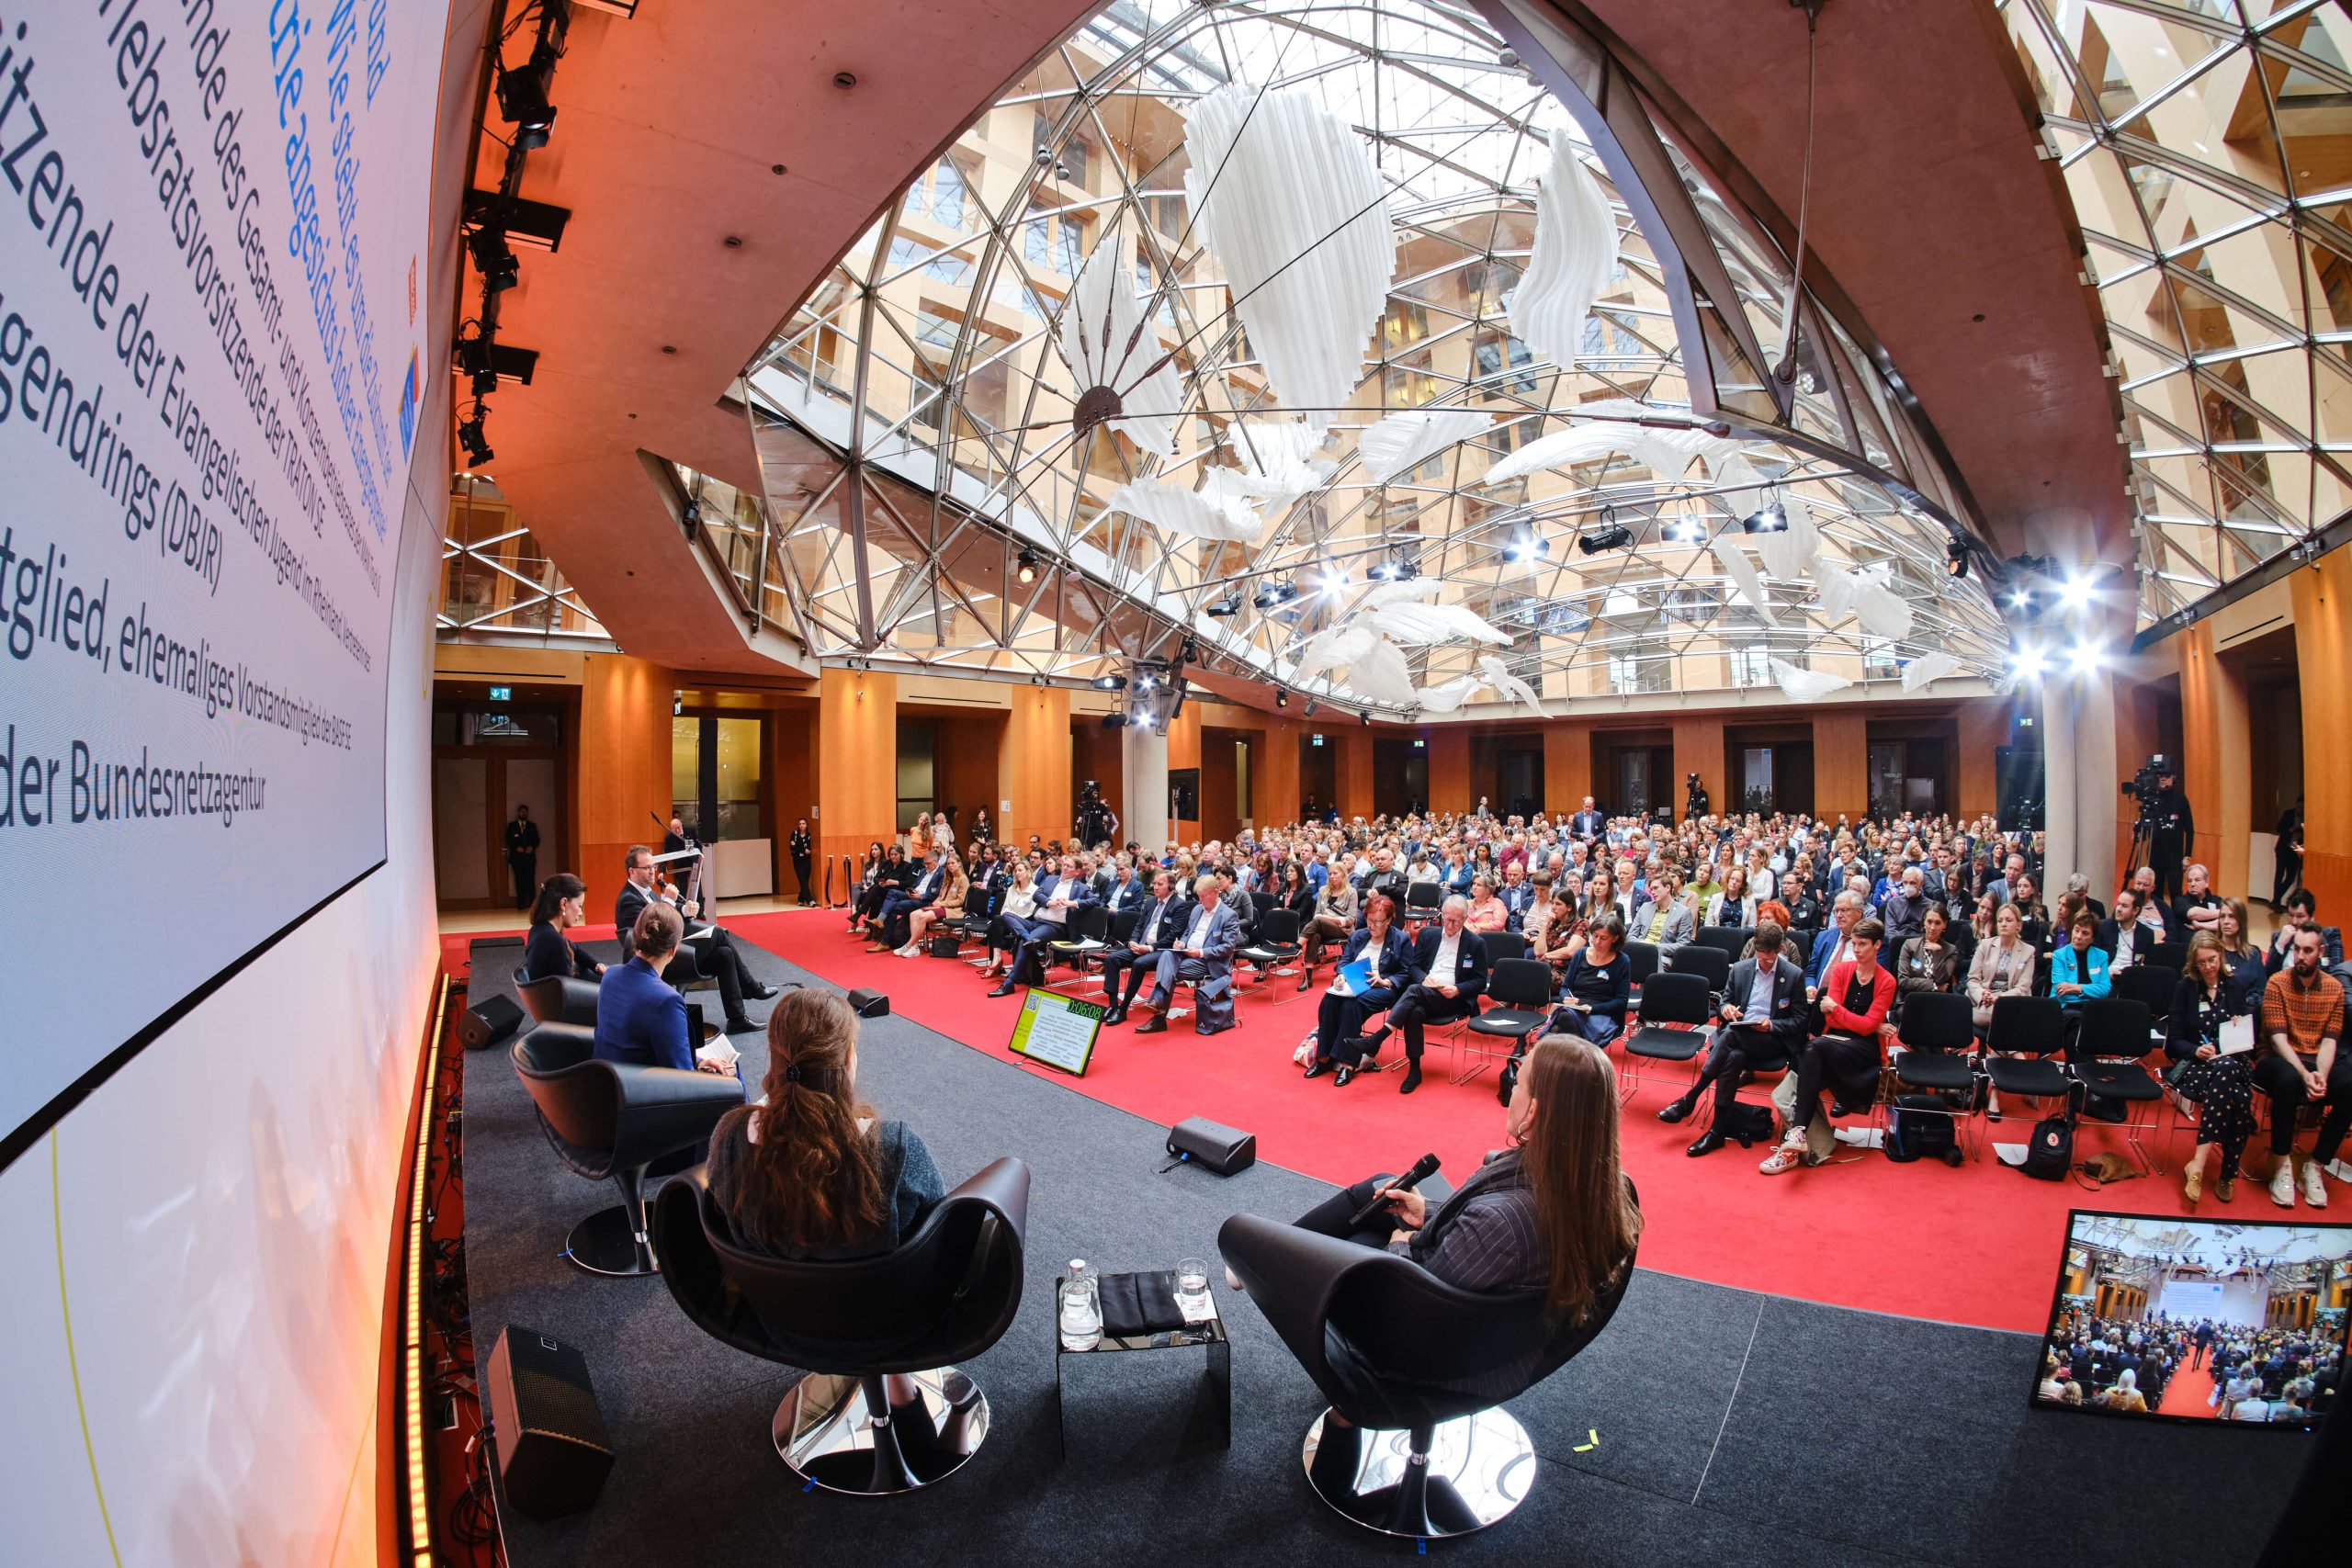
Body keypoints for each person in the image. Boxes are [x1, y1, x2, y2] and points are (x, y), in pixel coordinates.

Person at [1275, 1036, 1642, 1440]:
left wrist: (1398, 1241)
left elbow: (1414, 1296)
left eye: (1519, 1079)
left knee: (1340, 1247)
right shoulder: (1601, 1186)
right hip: (1507, 1331)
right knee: (1380, 1190)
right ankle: (1285, 1246)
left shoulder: (1506, 1223)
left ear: (1534, 1110)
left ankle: (1271, 1259)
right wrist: (1426, 1213)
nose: (1512, 1085)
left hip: (1441, 1351)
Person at [705, 988, 944, 1259]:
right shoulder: (897, 1147)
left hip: (767, 1298)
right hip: (880, 1298)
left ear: (775, 1057)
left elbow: (720, 1211)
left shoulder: (731, 1135)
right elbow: (944, 1225)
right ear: (847, 1058)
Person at [1658, 921, 1808, 1156]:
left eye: (1768, 959)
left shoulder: (1793, 975)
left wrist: (1772, 1024)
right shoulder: (1741, 969)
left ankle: (1691, 1097)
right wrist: (1727, 1009)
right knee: (1734, 1056)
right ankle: (1717, 1132)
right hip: (1741, 1035)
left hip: (1772, 1040)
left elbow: (1799, 1021)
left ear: (1779, 950)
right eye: (1760, 957)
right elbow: (1724, 1003)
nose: (1764, 963)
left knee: (1731, 1036)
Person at [1761, 918, 1894, 1175]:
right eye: (1854, 943)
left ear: (1877, 945)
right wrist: (1859, 1019)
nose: (1856, 949)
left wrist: (1845, 1013)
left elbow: (1865, 1028)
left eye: (1862, 944)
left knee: (1814, 1049)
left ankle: (1796, 1135)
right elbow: (1830, 1016)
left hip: (1863, 1049)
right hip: (1832, 1040)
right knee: (1814, 1050)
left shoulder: (1887, 981)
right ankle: (1798, 1136)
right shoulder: (1843, 971)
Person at [615, 845, 768, 1034]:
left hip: (669, 954)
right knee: (718, 934)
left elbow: (665, 914)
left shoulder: (647, 892)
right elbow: (655, 932)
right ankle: (751, 986)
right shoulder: (628, 900)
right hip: (657, 961)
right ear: (632, 871)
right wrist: (668, 902)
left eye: (653, 866)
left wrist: (686, 910)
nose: (653, 871)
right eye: (647, 867)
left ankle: (737, 1019)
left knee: (724, 954)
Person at [1345, 896, 1490, 1095]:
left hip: (1453, 999)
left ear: (1465, 919)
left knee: (1412, 992)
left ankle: (1376, 1040)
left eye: (1456, 921)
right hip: (1426, 992)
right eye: (1447, 919)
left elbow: (1480, 980)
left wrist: (1458, 989)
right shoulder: (1428, 935)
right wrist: (1424, 979)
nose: (1450, 924)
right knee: (1413, 1011)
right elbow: (1414, 967)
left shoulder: (1476, 943)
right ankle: (1415, 1070)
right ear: (1441, 916)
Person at [594, 904, 741, 1086]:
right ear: (674, 949)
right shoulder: (666, 1000)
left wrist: (699, 1062)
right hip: (648, 1097)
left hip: (609, 1086)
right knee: (733, 1071)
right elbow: (682, 1079)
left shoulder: (611, 975)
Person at [2255, 923, 2348, 1209]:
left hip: (2314, 1058)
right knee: (2287, 1080)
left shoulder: (2334, 989)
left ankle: (2316, 1164)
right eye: (2297, 949)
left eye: (2307, 950)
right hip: (2275, 1058)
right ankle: (2282, 1162)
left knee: (2349, 1083)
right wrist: (2306, 1075)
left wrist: (2320, 1074)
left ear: (2321, 952)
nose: (2300, 956)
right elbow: (2279, 1040)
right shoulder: (2277, 983)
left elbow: (2330, 1042)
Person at [2171, 932, 2257, 1208]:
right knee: (2241, 1099)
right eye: (2202, 963)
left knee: (2229, 1068)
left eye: (2212, 960)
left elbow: (2247, 1042)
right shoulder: (2185, 989)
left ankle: (2198, 1163)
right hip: (2197, 1066)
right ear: (2194, 964)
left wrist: (2238, 1026)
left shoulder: (2235, 987)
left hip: (2231, 1062)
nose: (2208, 967)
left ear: (2221, 956)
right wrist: (2195, 1050)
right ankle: (2227, 1174)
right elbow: (2173, 1042)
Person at [1306, 895, 1416, 1083]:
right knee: (1329, 1000)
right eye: (1369, 920)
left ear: (1389, 920)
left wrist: (1385, 980)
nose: (1372, 926)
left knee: (1353, 1005)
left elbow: (1407, 972)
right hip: (1353, 984)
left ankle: (1348, 1063)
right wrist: (1341, 975)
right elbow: (1345, 961)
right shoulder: (1358, 935)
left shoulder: (1400, 939)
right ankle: (1324, 1057)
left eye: (1378, 922)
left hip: (1383, 987)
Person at [1133, 875, 1242, 1036]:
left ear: (1216, 892)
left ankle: (1158, 1011)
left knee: (1168, 970)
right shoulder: (1197, 909)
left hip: (1208, 962)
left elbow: (1227, 948)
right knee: (1166, 955)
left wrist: (1200, 952)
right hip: (1186, 954)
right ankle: (1157, 1001)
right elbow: (1186, 933)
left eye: (1204, 895)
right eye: (1199, 896)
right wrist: (1182, 943)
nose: (1201, 899)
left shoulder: (1228, 915)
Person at [1969, 902, 2037, 1120]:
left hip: (2010, 1006)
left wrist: (2000, 998)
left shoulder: (2028, 951)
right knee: (2006, 1033)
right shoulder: (1986, 945)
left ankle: (1995, 1093)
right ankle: (2021, 1067)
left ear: (2019, 925)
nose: (2004, 924)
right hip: (1983, 1006)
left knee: (2002, 1026)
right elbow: (1972, 979)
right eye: (2000, 920)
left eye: (2009, 920)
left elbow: (2023, 987)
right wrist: (1983, 995)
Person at [1100, 871, 1184, 1025]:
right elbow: (1139, 926)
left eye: (1160, 884)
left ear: (1171, 886)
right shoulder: (1152, 902)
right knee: (1112, 959)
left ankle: (1123, 1008)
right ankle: (1112, 1005)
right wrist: (1133, 941)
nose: (1155, 887)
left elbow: (1173, 936)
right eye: (1154, 883)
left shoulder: (1179, 905)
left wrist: (1150, 948)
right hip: (1141, 946)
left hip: (1161, 950)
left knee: (1139, 964)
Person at [1553, 914, 1631, 1046]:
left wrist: (1592, 1009)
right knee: (1564, 1022)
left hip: (1604, 1013)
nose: (1597, 942)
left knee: (1558, 1030)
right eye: (1595, 936)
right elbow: (1565, 987)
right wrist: (1566, 998)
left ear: (1615, 938)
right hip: (1576, 1009)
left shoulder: (1622, 961)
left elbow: (1621, 1002)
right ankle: (1583, 1057)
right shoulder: (1580, 954)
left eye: (1603, 938)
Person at [522, 873, 605, 984]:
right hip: (556, 998)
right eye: (579, 906)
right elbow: (567, 988)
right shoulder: (553, 940)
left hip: (542, 995)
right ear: (564, 904)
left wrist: (596, 965)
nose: (580, 913)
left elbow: (575, 948)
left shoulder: (539, 929)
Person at [2051, 909, 2112, 1054]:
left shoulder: (2101, 956)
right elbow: (2061, 991)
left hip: (2092, 1010)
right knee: (2078, 1021)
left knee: (2078, 1027)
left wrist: (2078, 988)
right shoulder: (2060, 955)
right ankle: (2084, 1069)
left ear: (2092, 938)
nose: (2078, 937)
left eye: (2085, 933)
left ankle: (2075, 1070)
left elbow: (2105, 990)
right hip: (2063, 1009)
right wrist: (2091, 991)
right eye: (2076, 930)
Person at [896, 853, 967, 956]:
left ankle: (908, 945)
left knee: (923, 917)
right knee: (913, 914)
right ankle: (915, 948)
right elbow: (941, 894)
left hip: (953, 910)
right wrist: (936, 901)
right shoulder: (948, 878)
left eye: (953, 863)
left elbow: (960, 901)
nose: (950, 866)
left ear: (959, 864)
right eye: (948, 864)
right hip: (941, 906)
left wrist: (941, 903)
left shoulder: (963, 879)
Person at [1299, 869, 1360, 988]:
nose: (1332, 876)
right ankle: (1308, 978)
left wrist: (1328, 918)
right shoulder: (1323, 890)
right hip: (1321, 926)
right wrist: (1322, 918)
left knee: (1318, 922)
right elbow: (1317, 913)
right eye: (1330, 874)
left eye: (1335, 873)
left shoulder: (1351, 892)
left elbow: (1350, 920)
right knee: (1314, 934)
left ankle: (1297, 946)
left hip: (1342, 929)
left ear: (1343, 875)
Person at [1894, 902, 1959, 1010]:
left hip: (1937, 1002)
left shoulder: (1951, 951)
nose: (1932, 927)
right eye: (1929, 921)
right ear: (1924, 921)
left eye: (1937, 923)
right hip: (1909, 1001)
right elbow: (1903, 982)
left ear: (1945, 925)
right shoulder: (1909, 945)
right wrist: (1935, 987)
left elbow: (1941, 978)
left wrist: (1937, 952)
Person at [2097, 888, 2159, 970]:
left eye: (2124, 906)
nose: (2118, 909)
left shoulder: (2146, 934)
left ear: (2136, 910)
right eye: (2118, 904)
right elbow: (2093, 959)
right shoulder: (2102, 926)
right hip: (2106, 976)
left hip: (2132, 977)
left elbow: (2148, 964)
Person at [503, 805, 540, 910]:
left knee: (530, 880)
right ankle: (521, 903)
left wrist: (531, 847)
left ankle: (532, 903)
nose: (523, 814)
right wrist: (516, 847)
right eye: (521, 812)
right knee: (519, 880)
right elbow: (508, 840)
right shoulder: (512, 826)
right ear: (518, 813)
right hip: (517, 858)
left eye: (525, 812)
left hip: (529, 857)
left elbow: (536, 840)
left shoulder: (532, 826)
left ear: (527, 813)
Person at [2273, 802, 2302, 910]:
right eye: (2299, 807)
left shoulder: (2306, 817)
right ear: (2296, 805)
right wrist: (2290, 830)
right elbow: (2278, 829)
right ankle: (2276, 901)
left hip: (2295, 850)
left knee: (2290, 878)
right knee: (2279, 875)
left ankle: (2276, 899)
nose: (2301, 810)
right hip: (2283, 849)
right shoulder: (2288, 814)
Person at [789, 818, 815, 907]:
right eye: (800, 824)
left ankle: (800, 899)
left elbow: (809, 848)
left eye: (803, 823)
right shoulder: (795, 834)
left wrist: (798, 847)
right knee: (802, 879)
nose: (801, 825)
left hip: (806, 860)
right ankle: (810, 900)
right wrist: (803, 850)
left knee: (805, 880)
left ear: (806, 825)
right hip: (797, 860)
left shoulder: (809, 836)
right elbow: (792, 847)